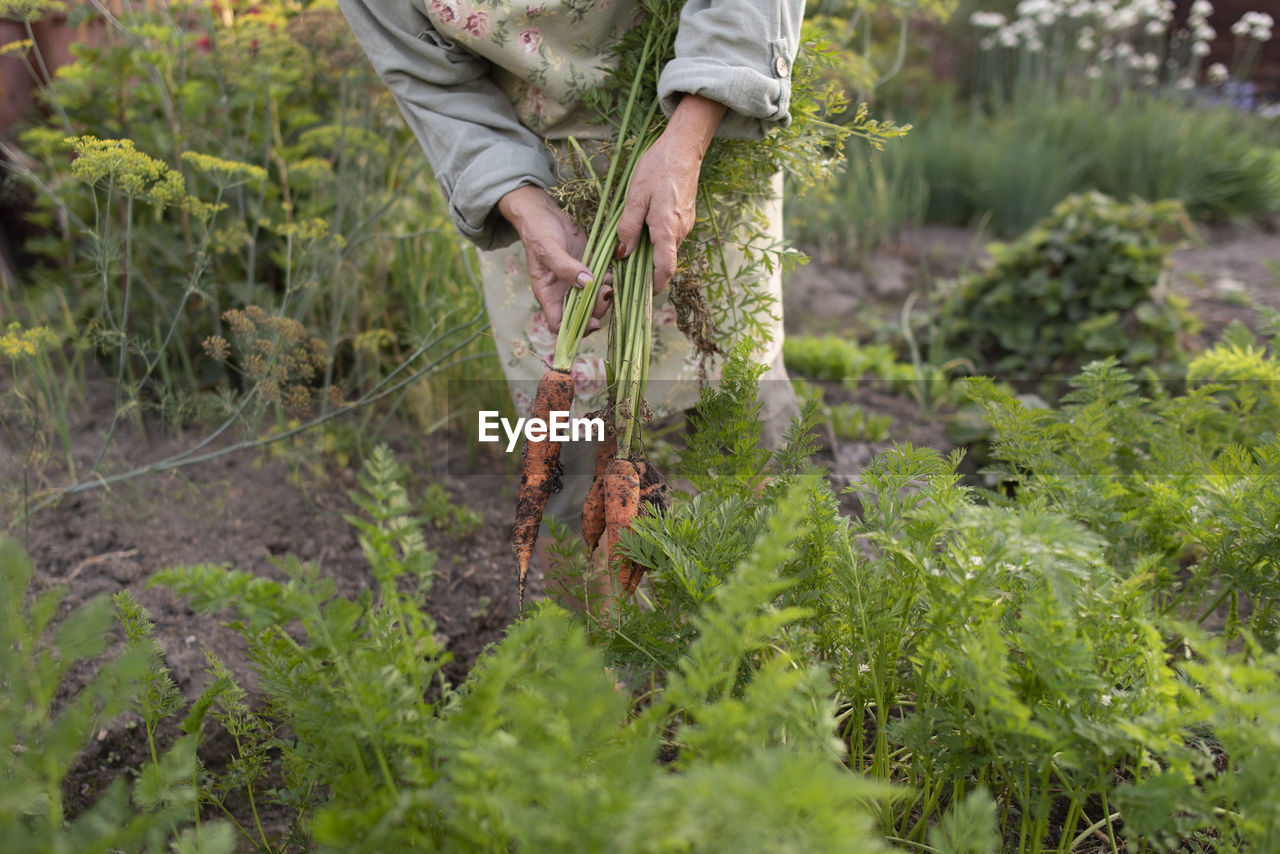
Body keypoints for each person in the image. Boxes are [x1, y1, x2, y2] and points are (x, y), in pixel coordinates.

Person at [336, 0, 803, 577]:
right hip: (539, 180)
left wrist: (689, 137)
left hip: (697, 138)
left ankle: (769, 637)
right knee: (570, 463)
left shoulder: (695, 135)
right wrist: (518, 197)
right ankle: (596, 645)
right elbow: (424, 71)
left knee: (738, 421)